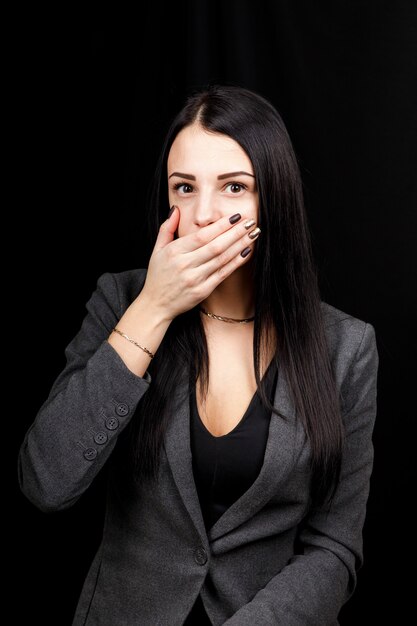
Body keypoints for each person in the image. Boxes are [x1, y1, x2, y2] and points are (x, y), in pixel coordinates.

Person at [18, 85, 379, 625]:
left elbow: (334, 547)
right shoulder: (121, 303)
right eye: (184, 187)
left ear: (272, 200)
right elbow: (47, 482)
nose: (205, 214)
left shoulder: (346, 348)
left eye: (234, 187)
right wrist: (154, 309)